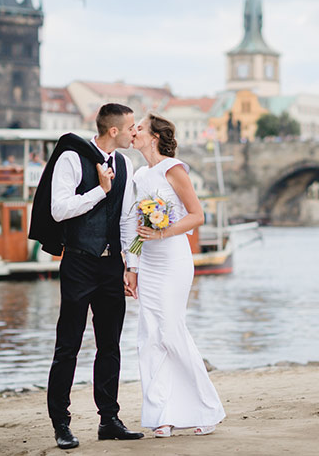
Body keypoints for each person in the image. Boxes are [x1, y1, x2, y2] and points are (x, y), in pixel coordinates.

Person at [28, 103, 143, 450]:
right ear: (113, 131)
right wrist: (100, 191)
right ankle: (61, 423)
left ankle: (109, 419)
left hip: (111, 266)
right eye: (131, 127)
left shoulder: (125, 163)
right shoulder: (71, 158)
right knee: (69, 345)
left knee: (110, 345)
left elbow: (126, 218)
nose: (134, 132)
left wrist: (130, 265)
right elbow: (59, 209)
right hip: (78, 263)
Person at [131, 114, 226, 437]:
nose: (134, 132)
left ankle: (205, 407)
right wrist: (132, 267)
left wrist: (164, 232)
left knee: (171, 332)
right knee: (149, 336)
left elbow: (196, 215)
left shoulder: (174, 169)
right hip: (149, 263)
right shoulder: (139, 174)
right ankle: (161, 414)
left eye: (139, 128)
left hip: (173, 260)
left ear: (155, 136)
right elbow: (133, 226)